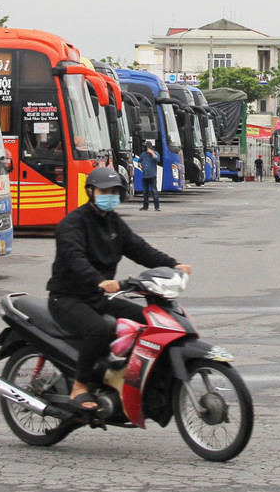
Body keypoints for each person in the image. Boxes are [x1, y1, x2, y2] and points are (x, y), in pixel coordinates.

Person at [48, 165, 192, 413]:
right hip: (67, 298)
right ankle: (79, 387)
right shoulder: (72, 223)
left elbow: (139, 249)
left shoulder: (114, 223)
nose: (110, 195)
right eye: (104, 191)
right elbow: (75, 257)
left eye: (115, 191)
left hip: (99, 297)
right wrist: (99, 280)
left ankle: (122, 376)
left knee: (151, 321)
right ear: (91, 192)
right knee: (99, 329)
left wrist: (173, 265)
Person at [139, 140, 161, 211]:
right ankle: (145, 206)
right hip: (145, 176)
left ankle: (157, 206)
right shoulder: (143, 154)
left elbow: (157, 159)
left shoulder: (155, 153)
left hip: (152, 175)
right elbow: (139, 161)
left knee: (154, 191)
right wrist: (140, 165)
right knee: (145, 192)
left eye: (147, 146)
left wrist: (152, 153)